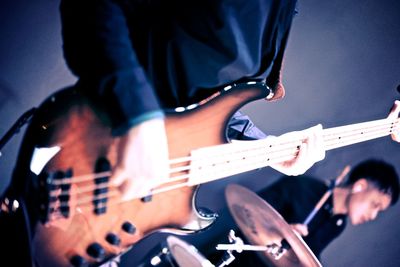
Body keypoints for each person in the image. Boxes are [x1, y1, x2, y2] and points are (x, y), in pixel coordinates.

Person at [59, 0, 327, 203]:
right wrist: (139, 118)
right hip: (90, 146)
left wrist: (267, 149)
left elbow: (203, 93)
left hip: (125, 204)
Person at [206, 159, 399, 266]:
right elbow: (247, 211)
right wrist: (279, 230)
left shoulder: (338, 224)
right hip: (237, 260)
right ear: (360, 186)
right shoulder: (300, 186)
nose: (373, 216)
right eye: (375, 205)